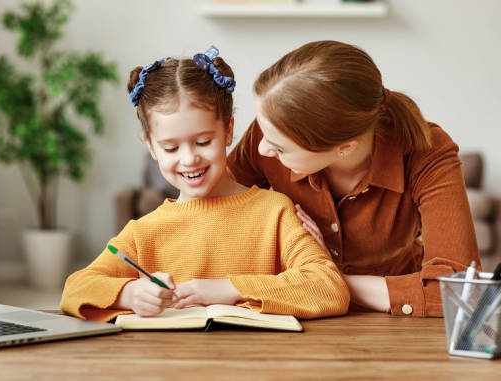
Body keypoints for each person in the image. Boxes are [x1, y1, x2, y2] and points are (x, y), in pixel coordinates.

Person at [60, 46, 350, 322]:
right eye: (170, 148)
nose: (189, 159)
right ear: (151, 146)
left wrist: (229, 289)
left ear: (228, 131)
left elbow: (329, 288)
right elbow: (76, 288)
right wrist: (130, 294)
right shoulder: (143, 233)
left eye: (203, 142)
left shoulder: (275, 212)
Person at [227, 40, 480, 317]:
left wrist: (325, 279)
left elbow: (461, 291)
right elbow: (216, 211)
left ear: (344, 148)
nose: (262, 148)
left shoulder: (426, 151)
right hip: (289, 313)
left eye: (279, 148)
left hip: (394, 323)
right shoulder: (273, 130)